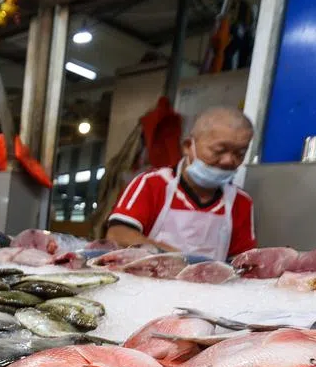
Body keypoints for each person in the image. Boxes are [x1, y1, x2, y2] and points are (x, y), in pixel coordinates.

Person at [105, 107, 256, 261]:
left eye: (240, 154)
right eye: (219, 150)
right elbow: (118, 234)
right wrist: (176, 258)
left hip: (210, 284)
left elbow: (241, 259)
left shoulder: (240, 201)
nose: (228, 160)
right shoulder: (152, 184)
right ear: (188, 146)